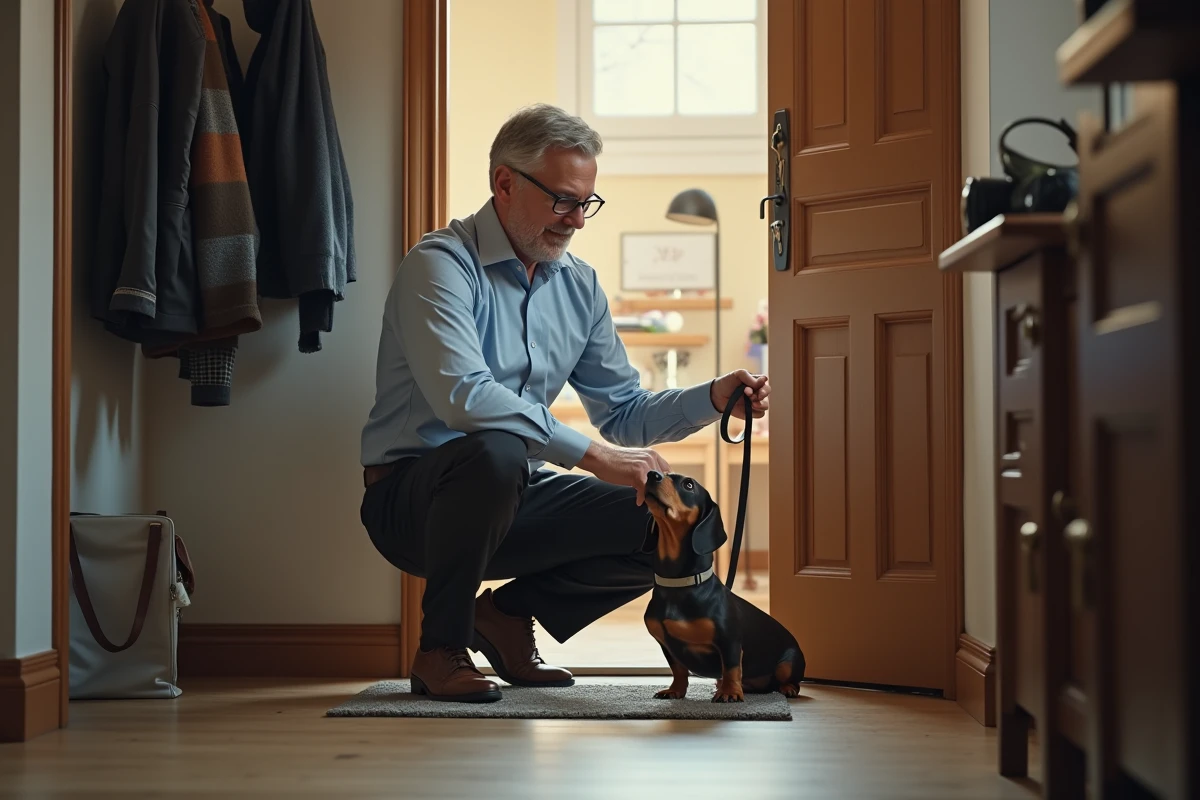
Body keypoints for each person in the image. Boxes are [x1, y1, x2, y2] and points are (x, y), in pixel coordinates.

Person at [359, 103, 770, 703]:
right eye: (562, 201)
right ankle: (439, 648)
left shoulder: (579, 285)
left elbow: (623, 411)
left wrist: (711, 398)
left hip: (516, 493)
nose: (577, 220)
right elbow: (464, 397)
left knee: (669, 518)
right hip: (411, 503)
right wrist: (594, 457)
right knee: (497, 451)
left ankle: (505, 615)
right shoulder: (439, 266)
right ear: (504, 183)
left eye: (586, 203)